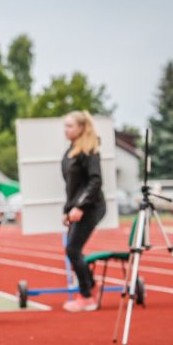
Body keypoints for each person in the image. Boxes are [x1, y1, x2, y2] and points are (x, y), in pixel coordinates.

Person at [61, 110, 106, 313]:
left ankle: (87, 295)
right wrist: (67, 209)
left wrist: (80, 207)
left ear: (81, 128)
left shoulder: (89, 152)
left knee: (72, 249)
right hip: (77, 206)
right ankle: (91, 286)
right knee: (73, 250)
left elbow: (95, 181)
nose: (66, 129)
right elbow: (72, 186)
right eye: (65, 126)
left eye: (70, 126)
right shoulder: (71, 150)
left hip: (92, 206)